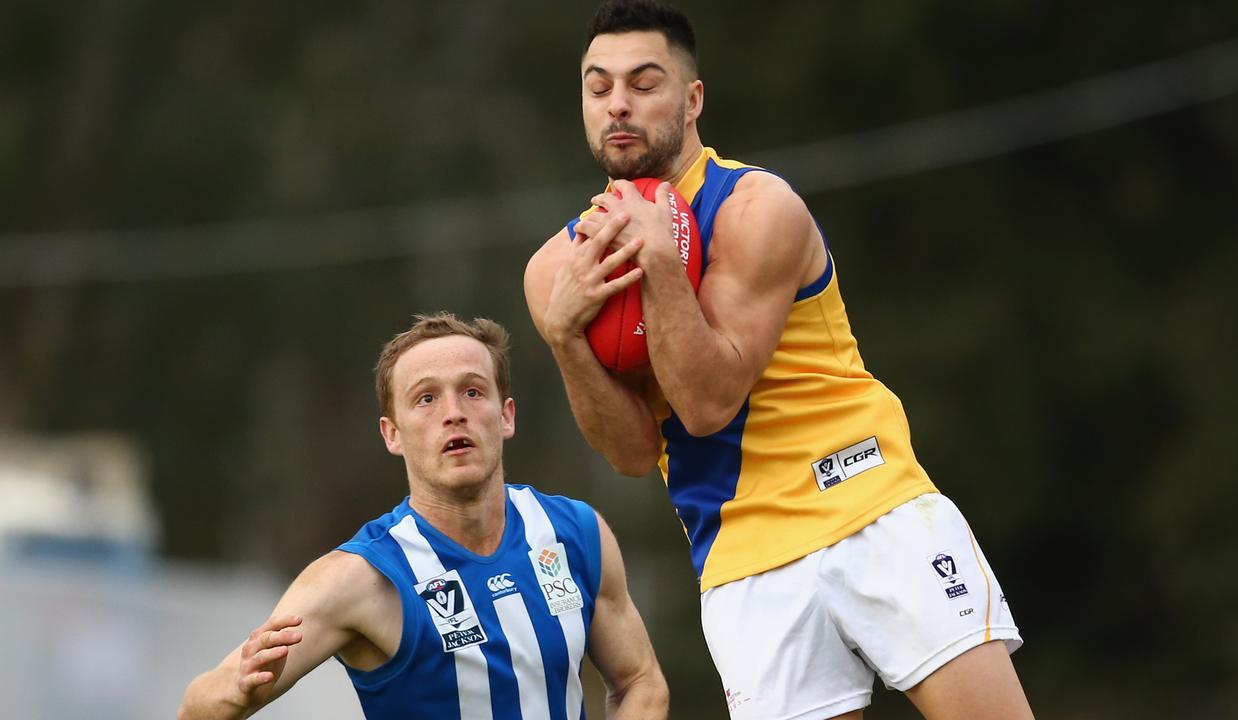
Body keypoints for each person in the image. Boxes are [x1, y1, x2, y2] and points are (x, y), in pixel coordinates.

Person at [523, 2, 1033, 718]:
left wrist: (662, 266)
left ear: (692, 98)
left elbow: (708, 403)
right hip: (741, 560)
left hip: (870, 504)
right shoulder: (557, 269)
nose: (619, 106)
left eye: (644, 83)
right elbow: (634, 453)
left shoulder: (757, 207)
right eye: (598, 86)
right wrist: (565, 338)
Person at [178, 313, 668, 720]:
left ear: (506, 415)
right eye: (426, 398)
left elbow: (639, 682)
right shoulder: (360, 579)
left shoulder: (575, 534)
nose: (453, 413)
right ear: (392, 434)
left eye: (473, 391)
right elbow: (198, 706)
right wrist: (237, 694)